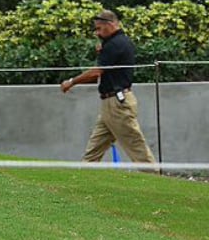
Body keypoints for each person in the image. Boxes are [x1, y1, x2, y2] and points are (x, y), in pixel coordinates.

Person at [60, 10, 156, 164]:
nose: (97, 33)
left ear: (110, 24)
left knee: (136, 146)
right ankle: (83, 177)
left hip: (117, 104)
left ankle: (154, 178)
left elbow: (97, 72)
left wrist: (72, 81)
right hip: (109, 103)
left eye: (99, 28)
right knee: (94, 148)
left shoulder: (115, 44)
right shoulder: (116, 43)